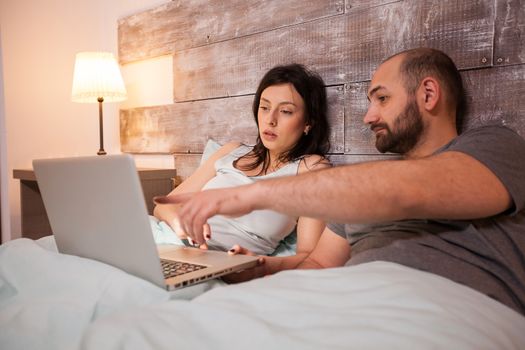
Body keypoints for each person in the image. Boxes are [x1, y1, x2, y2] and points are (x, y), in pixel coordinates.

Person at [155, 48, 525, 315]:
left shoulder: (495, 145)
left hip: (443, 310)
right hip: (347, 303)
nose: (368, 116)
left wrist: (251, 194)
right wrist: (260, 268)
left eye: (381, 98)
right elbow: (318, 265)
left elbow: (409, 190)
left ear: (428, 94)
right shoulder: (357, 194)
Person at [154, 63, 332, 272]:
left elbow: (308, 257)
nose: (270, 119)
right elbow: (162, 205)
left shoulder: (312, 170)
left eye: (285, 111)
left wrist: (255, 264)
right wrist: (181, 223)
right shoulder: (231, 151)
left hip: (212, 265)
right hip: (161, 240)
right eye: (264, 107)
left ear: (308, 123)